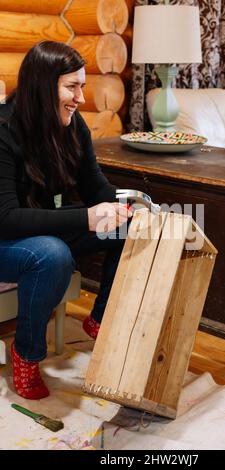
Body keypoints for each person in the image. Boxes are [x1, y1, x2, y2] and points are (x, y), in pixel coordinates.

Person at [0, 41, 133, 400]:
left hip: (40, 231)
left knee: (128, 226)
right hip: (5, 239)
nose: (80, 98)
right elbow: (8, 219)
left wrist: (130, 206)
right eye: (71, 87)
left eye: (82, 87)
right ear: (44, 86)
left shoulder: (73, 127)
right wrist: (86, 218)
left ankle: (100, 321)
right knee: (52, 253)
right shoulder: (3, 129)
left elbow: (97, 188)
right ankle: (26, 353)